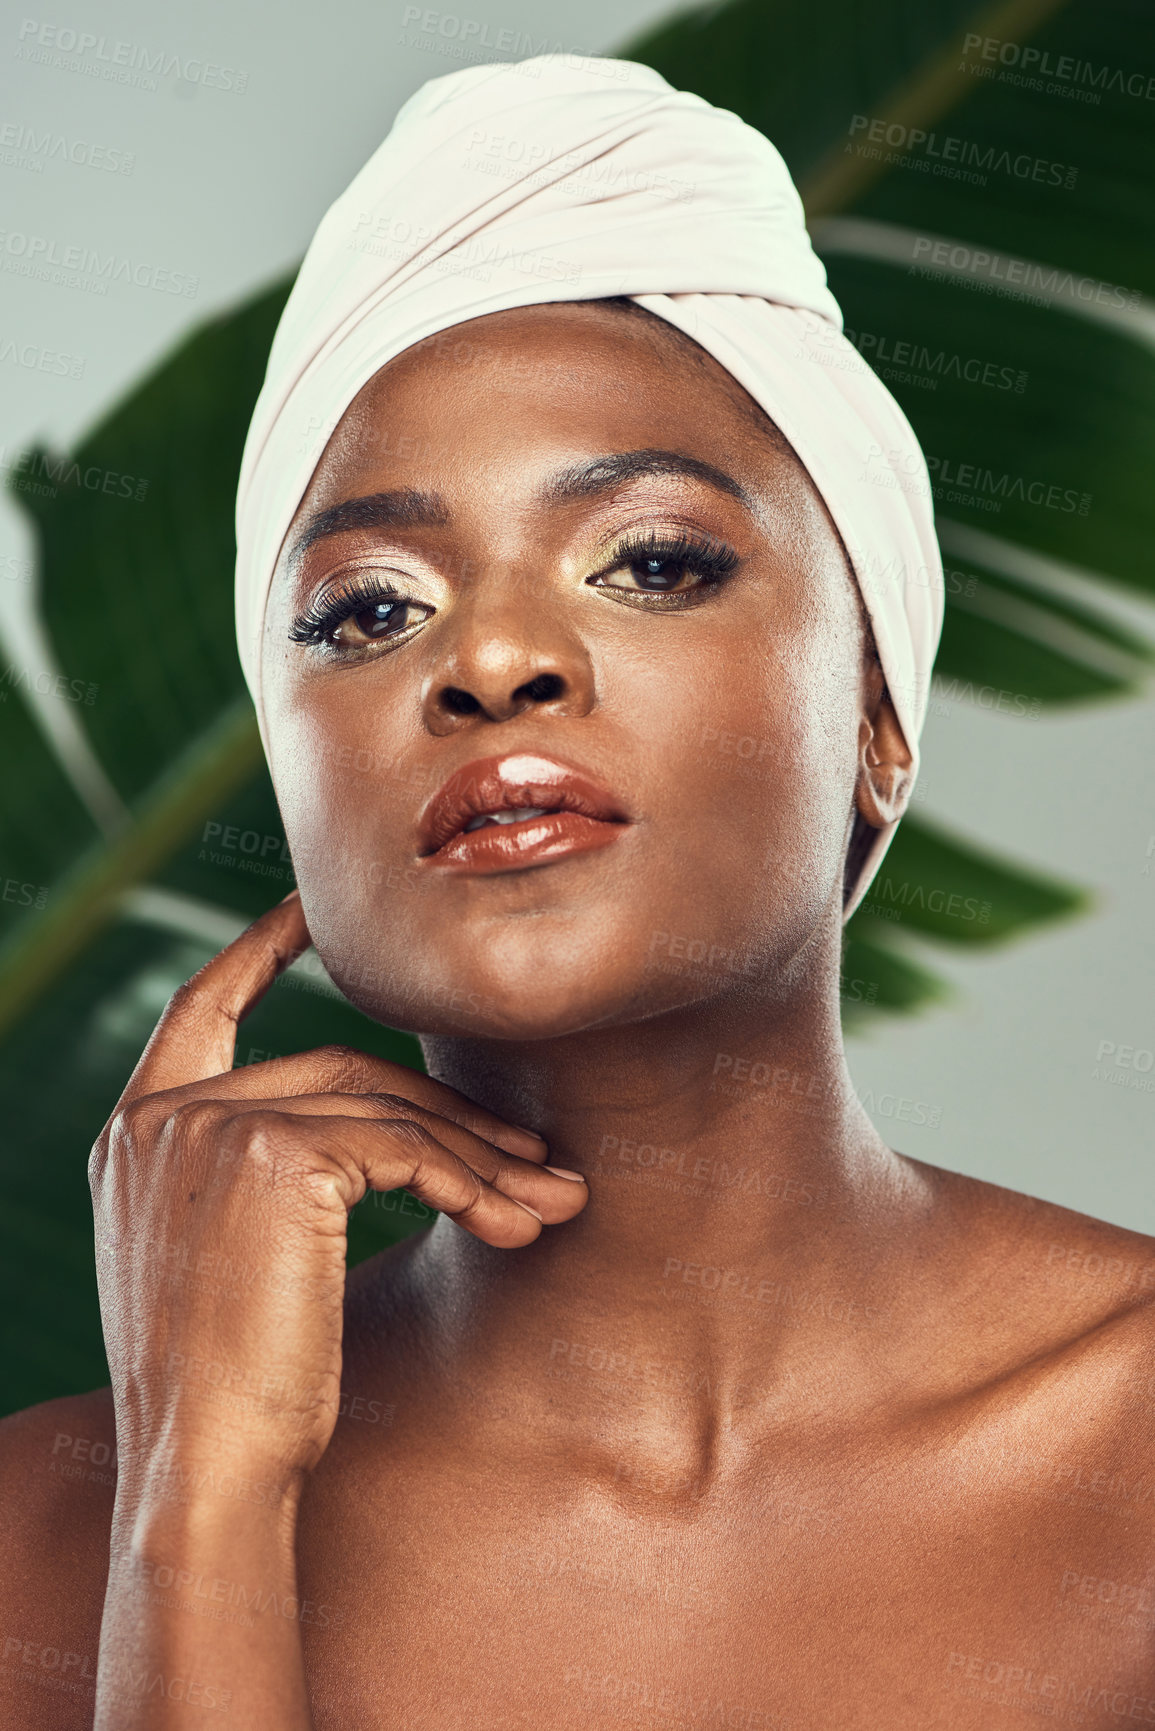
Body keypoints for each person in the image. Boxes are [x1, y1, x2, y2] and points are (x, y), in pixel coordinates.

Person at [2, 54, 1153, 1731]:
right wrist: (198, 1485)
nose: (493, 659)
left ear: (879, 725)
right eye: (367, 612)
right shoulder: (43, 1544)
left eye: (654, 562)